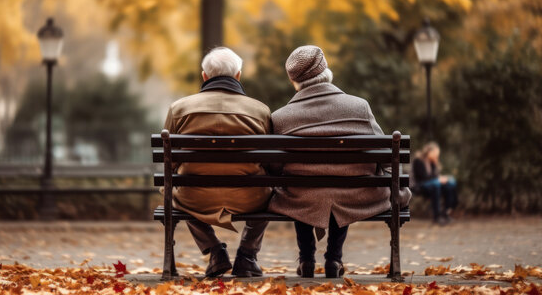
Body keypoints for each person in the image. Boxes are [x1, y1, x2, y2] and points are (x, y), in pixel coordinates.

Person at [267, 45, 412, 278]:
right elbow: (386, 154)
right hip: (353, 194)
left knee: (302, 189)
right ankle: (334, 259)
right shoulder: (359, 107)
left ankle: (306, 260)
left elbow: (274, 168)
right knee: (340, 188)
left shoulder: (280, 117)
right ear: (327, 72)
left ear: (294, 81)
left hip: (302, 196)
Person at [164, 47, 273, 278]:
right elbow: (270, 163)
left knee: (175, 193)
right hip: (249, 198)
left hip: (196, 198)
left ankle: (215, 252)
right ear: (238, 76)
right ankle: (247, 255)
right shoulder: (260, 110)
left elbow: (170, 163)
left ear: (204, 76)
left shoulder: (179, 108)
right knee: (271, 190)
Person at [412, 142, 458, 225]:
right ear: (429, 152)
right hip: (421, 186)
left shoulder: (432, 162)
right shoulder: (418, 161)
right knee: (436, 184)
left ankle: (445, 213)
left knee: (451, 183)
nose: (437, 156)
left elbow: (436, 176)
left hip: (433, 185)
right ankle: (437, 217)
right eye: (435, 153)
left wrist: (438, 172)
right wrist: (438, 179)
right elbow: (422, 177)